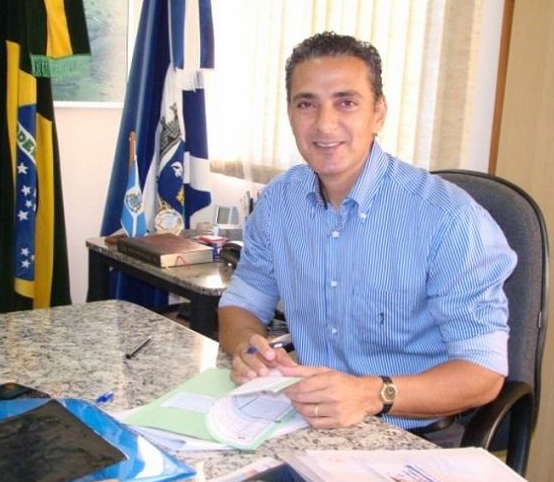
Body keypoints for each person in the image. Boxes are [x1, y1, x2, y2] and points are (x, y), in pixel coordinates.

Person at [217, 31, 517, 436]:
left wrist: (372, 394)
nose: (324, 124)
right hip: (303, 419)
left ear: (378, 113)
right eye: (307, 104)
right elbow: (241, 303)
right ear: (290, 114)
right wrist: (247, 347)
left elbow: (483, 373)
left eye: (346, 102)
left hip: (409, 433)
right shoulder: (279, 202)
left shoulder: (449, 219)